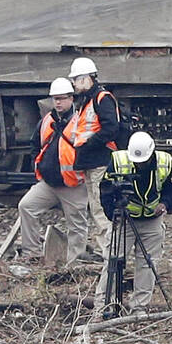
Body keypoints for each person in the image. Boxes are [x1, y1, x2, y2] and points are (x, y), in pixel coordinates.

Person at [97, 131, 172, 315]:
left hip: (152, 220)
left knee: (147, 264)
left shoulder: (165, 163)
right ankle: (103, 305)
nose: (139, 164)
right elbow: (105, 191)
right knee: (113, 262)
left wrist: (165, 203)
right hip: (124, 220)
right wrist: (113, 214)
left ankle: (139, 307)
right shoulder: (118, 161)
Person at [17, 78, 90, 262]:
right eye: (54, 98)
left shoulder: (79, 121)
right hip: (49, 183)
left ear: (71, 98)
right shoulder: (46, 121)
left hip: (73, 184)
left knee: (77, 224)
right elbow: (35, 145)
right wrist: (38, 165)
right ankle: (31, 253)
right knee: (26, 207)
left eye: (61, 98)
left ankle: (75, 262)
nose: (57, 102)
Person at [69, 56, 122, 262]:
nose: (74, 83)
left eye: (76, 79)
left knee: (101, 210)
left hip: (100, 162)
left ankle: (112, 255)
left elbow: (111, 128)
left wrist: (89, 144)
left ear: (86, 78)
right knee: (97, 210)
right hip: (91, 162)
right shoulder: (87, 101)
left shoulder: (101, 98)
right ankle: (108, 252)